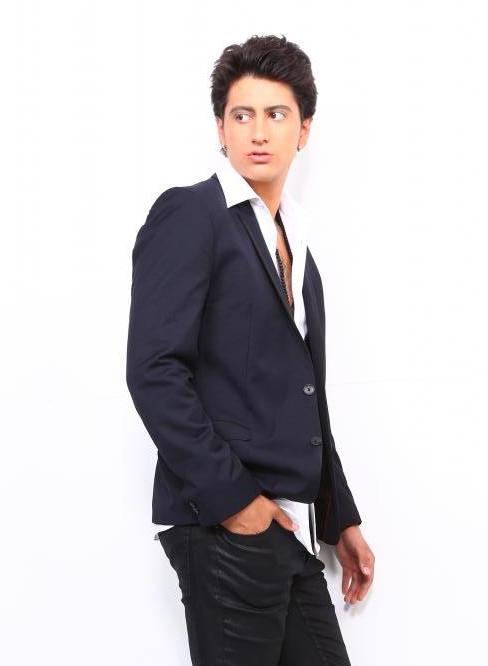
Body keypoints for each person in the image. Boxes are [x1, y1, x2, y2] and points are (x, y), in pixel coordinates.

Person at [126, 34, 374, 666]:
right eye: (242, 115)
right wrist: (236, 503)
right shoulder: (191, 214)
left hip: (291, 528)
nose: (258, 132)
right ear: (221, 128)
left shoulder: (297, 243)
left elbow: (303, 395)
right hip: (224, 525)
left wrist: (339, 517)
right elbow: (154, 370)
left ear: (304, 130)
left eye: (276, 114)